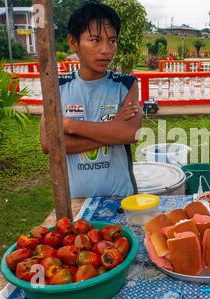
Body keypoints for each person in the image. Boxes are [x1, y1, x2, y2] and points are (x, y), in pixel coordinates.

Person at [40, 2, 142, 198]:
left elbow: (131, 133)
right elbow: (48, 143)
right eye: (95, 40)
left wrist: (69, 125)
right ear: (73, 42)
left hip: (121, 199)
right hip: (76, 200)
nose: (106, 50)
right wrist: (112, 131)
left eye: (112, 41)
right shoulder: (57, 89)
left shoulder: (126, 85)